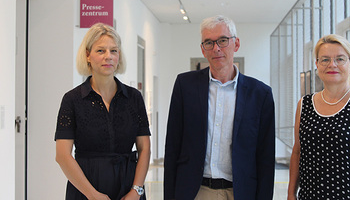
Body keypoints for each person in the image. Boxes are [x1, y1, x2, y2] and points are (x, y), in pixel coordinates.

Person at [164, 15, 275, 200]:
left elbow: (265, 158)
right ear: (202, 49)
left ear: (236, 44)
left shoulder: (260, 94)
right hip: (195, 192)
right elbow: (173, 146)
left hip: (239, 193)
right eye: (209, 42)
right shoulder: (185, 86)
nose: (216, 48)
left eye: (222, 40)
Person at [287, 34, 350, 200]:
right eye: (325, 59)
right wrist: (291, 194)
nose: (332, 65)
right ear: (317, 65)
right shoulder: (304, 105)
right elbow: (298, 152)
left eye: (340, 59)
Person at [55, 23, 151, 200]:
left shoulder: (134, 97)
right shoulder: (72, 100)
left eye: (113, 51)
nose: (108, 56)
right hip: (86, 190)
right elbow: (62, 155)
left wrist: (136, 191)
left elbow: (144, 148)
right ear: (87, 55)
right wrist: (92, 195)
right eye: (101, 51)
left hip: (128, 189)